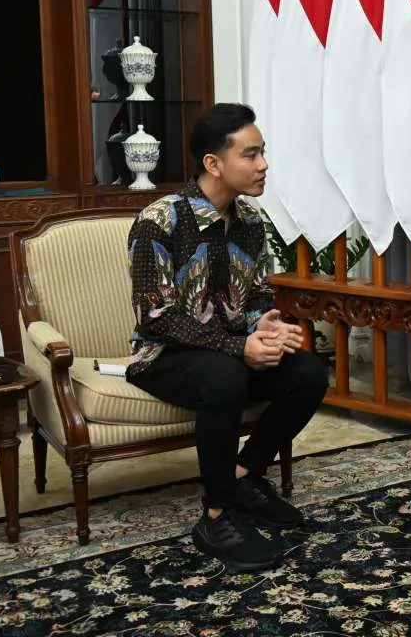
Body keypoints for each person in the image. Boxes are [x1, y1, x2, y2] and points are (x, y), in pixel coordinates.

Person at [125, 103, 329, 572]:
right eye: (251, 155)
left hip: (231, 353)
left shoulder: (252, 221)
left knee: (308, 371)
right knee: (224, 377)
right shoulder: (159, 221)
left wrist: (265, 325)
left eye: (263, 154)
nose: (263, 165)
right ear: (214, 164)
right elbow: (156, 317)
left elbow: (256, 296)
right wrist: (239, 347)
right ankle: (216, 514)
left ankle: (243, 475)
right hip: (166, 355)